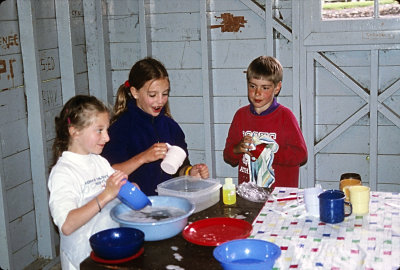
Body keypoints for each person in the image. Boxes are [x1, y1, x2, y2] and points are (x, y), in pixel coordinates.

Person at [102, 57, 209, 196]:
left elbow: (179, 168)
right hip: (133, 207)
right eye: (152, 95)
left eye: (165, 94)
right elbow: (107, 174)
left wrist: (190, 172)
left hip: (167, 204)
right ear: (135, 93)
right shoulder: (120, 129)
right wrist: (143, 158)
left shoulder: (171, 127)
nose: (160, 101)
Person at [48, 95, 128, 270]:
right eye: (99, 130)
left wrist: (127, 191)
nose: (107, 138)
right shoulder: (63, 173)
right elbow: (67, 225)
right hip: (82, 261)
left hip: (107, 252)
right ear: (75, 131)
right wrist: (106, 195)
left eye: (107, 130)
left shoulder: (100, 161)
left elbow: (113, 197)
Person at [223, 56, 307, 189]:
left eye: (265, 88)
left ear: (277, 88)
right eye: (252, 86)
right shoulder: (240, 116)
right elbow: (228, 155)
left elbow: (301, 155)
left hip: (280, 196)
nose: (257, 93)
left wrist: (268, 151)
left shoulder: (285, 116)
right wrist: (238, 148)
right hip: (248, 193)